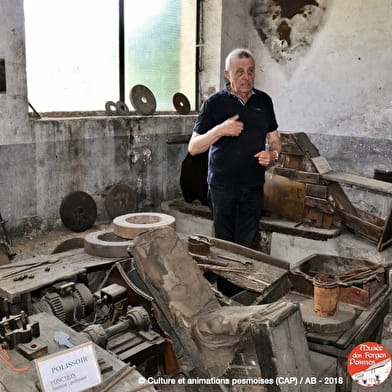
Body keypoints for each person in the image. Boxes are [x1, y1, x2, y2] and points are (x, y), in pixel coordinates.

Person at [188, 48, 281, 248]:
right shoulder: (214, 103)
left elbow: (275, 140)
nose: (246, 77)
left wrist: (273, 154)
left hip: (253, 187)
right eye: (239, 71)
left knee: (246, 245)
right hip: (222, 187)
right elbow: (194, 148)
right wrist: (220, 130)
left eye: (250, 71)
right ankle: (223, 280)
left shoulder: (264, 101)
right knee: (223, 245)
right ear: (227, 74)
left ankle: (240, 279)